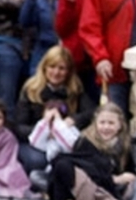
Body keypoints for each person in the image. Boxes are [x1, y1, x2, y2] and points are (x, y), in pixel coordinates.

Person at [14, 45, 94, 182]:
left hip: (64, 142)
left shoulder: (76, 89)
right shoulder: (30, 89)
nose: (56, 72)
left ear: (68, 71)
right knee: (38, 161)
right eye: (52, 67)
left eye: (61, 68)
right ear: (44, 67)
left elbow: (91, 112)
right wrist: (44, 129)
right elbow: (19, 127)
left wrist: (73, 120)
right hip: (35, 142)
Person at [49, 103, 134, 200]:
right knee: (64, 166)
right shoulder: (85, 141)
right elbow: (86, 168)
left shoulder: (125, 145)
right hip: (80, 183)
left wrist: (122, 178)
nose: (106, 127)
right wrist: (113, 179)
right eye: (102, 123)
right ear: (95, 123)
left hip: (109, 187)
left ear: (120, 125)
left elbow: (130, 172)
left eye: (111, 123)